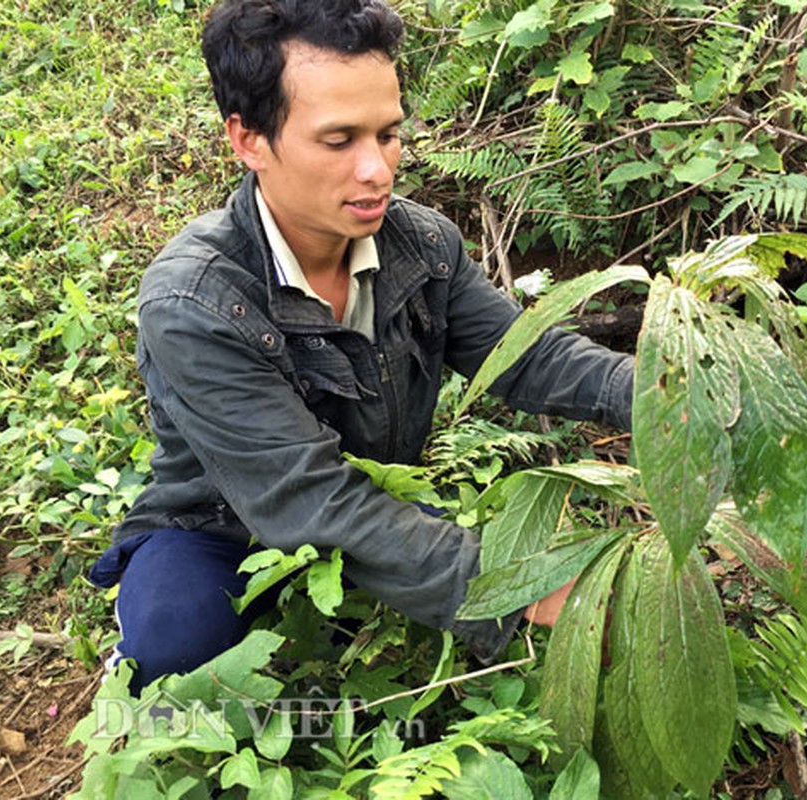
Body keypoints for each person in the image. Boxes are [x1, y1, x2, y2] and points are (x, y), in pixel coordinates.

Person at [87, 0, 633, 691]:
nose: (377, 170)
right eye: (340, 140)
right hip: (221, 525)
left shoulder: (422, 243)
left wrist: (664, 394)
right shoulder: (193, 302)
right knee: (173, 643)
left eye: (389, 134)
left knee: (390, 606)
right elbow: (310, 500)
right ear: (250, 140)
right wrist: (521, 590)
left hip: (371, 495)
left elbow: (527, 358)